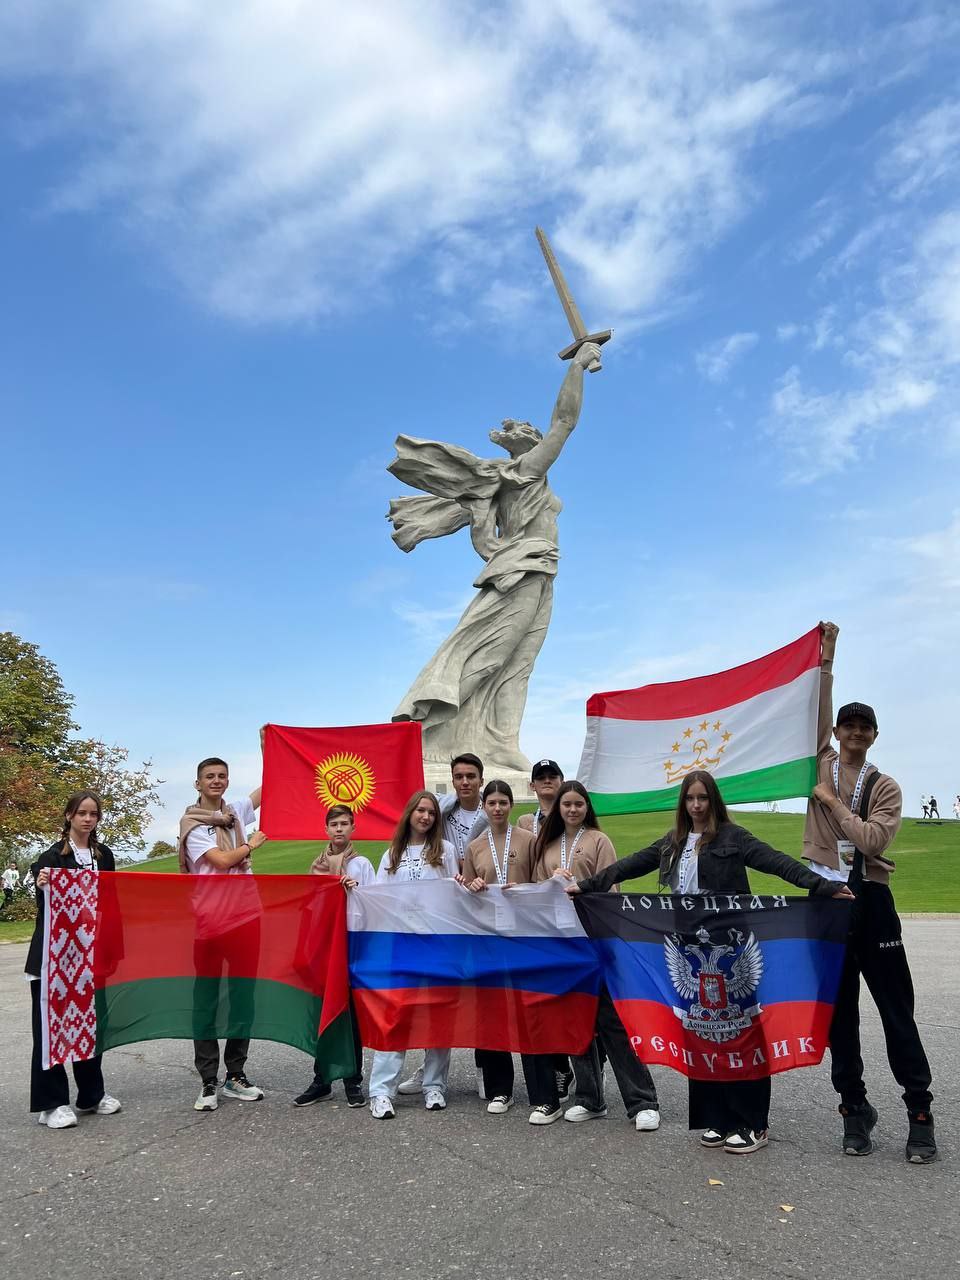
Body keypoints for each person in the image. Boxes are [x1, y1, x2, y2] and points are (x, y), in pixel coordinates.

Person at [569, 770, 852, 1154]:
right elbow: (631, 865)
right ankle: (716, 1119)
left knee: (741, 1030)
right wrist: (587, 887)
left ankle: (751, 1122)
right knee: (701, 1032)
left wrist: (824, 887)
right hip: (688, 948)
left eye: (703, 798)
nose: (697, 806)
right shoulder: (673, 843)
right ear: (683, 804)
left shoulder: (734, 838)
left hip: (731, 949)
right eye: (690, 799)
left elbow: (776, 862)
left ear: (713, 801)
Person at [388, 341, 603, 777]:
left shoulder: (512, 480)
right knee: (489, 655)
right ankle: (425, 732)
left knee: (518, 664)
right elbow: (565, 421)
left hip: (540, 571)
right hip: (521, 571)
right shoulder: (524, 471)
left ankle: (503, 743)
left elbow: (473, 517)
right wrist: (577, 367)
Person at [803, 621, 937, 1163]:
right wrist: (826, 660)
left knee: (896, 1013)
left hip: (873, 902)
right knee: (840, 1016)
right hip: (826, 899)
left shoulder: (886, 786)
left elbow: (874, 837)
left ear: (875, 736)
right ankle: (854, 1110)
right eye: (847, 726)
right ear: (836, 732)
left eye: (864, 728)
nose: (855, 733)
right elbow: (814, 709)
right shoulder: (820, 762)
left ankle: (920, 1112)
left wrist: (833, 806)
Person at [539, 781, 661, 1133]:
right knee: (577, 1021)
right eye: (567, 804)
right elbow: (536, 890)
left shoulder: (597, 840)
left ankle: (642, 1100)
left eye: (579, 804)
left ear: (586, 807)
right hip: (563, 943)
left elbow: (612, 887)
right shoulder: (547, 845)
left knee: (613, 1023)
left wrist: (580, 884)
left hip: (597, 939)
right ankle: (590, 1098)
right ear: (558, 808)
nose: (572, 810)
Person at [25, 792, 122, 1128]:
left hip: (90, 957)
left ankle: (91, 1095)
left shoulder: (103, 855)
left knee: (89, 1027)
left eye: (93, 814)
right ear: (69, 816)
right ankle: (50, 1104)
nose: (87, 819)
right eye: (81, 813)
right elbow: (46, 907)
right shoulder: (51, 856)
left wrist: (113, 951)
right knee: (51, 1031)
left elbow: (112, 905)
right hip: (52, 960)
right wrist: (42, 885)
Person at [178, 755, 267, 1113]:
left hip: (246, 917)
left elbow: (269, 791)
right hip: (211, 921)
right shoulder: (193, 824)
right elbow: (221, 861)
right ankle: (208, 1080)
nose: (216, 781)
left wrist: (271, 749)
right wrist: (251, 846)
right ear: (198, 783)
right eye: (209, 777)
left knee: (244, 996)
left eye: (222, 776)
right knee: (207, 1000)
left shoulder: (234, 812)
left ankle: (236, 1074)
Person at [399, 752, 490, 1099]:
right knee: (435, 997)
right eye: (459, 776)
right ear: (453, 781)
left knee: (480, 993)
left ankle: (487, 1068)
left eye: (471, 776)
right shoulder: (445, 810)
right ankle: (429, 1068)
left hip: (480, 903)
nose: (464, 781)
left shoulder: (492, 808)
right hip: (447, 912)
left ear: (481, 780)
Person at [368, 791, 459, 1119]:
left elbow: (454, 894)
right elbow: (376, 896)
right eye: (420, 810)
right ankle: (381, 1091)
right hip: (401, 944)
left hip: (437, 943)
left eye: (431, 813)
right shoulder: (392, 853)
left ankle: (434, 1084)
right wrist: (353, 888)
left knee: (437, 1016)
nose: (425, 817)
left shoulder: (445, 851)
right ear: (409, 813)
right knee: (395, 1016)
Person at [459, 780, 536, 1115]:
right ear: (485, 807)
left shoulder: (529, 841)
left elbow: (541, 882)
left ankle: (542, 1083)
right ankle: (500, 1089)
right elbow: (463, 893)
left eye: (503, 802)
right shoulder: (475, 846)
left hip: (524, 935)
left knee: (529, 1009)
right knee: (492, 1011)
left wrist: (527, 888)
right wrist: (473, 885)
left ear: (511, 805)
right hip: (488, 937)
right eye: (492, 803)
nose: (498, 808)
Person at [293, 805, 374, 1109]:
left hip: (351, 946)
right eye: (334, 824)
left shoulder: (361, 864)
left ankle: (353, 1080)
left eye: (345, 824)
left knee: (349, 1015)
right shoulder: (317, 866)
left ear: (353, 828)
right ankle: (322, 1079)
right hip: (324, 947)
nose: (339, 829)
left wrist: (355, 891)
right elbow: (309, 908)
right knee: (323, 1013)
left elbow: (374, 903)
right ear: (326, 830)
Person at [518, 759, 573, 1101]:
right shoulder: (525, 823)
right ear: (533, 785)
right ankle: (560, 1068)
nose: (547, 781)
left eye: (553, 776)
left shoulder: (573, 815)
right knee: (544, 1000)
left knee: (573, 997)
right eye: (542, 778)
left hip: (571, 921)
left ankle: (583, 1064)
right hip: (536, 921)